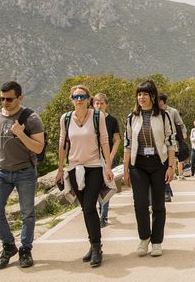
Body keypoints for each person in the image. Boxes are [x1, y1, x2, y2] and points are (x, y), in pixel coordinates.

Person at [0, 81, 45, 269]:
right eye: (2, 98)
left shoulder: (31, 118)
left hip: (26, 172)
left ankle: (25, 250)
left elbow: (39, 147)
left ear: (20, 98)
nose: (5, 102)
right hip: (1, 172)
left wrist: (20, 134)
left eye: (9, 99)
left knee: (27, 213)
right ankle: (9, 246)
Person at [55, 85, 114, 268]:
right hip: (74, 168)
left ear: (89, 99)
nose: (78, 100)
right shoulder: (65, 119)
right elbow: (62, 143)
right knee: (85, 209)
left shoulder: (98, 117)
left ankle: (96, 248)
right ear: (71, 99)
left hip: (94, 167)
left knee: (89, 206)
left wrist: (108, 166)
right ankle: (93, 245)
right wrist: (60, 168)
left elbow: (105, 140)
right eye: (75, 97)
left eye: (82, 96)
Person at [124, 80, 177, 257]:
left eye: (145, 94)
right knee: (140, 204)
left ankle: (156, 241)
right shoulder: (132, 117)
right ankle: (144, 238)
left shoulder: (163, 116)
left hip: (158, 164)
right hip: (138, 165)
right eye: (139, 94)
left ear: (152, 96)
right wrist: (126, 169)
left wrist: (171, 166)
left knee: (158, 204)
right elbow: (128, 144)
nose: (141, 97)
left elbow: (170, 142)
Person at [93, 93, 121, 227]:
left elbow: (117, 140)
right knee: (95, 186)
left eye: (101, 103)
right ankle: (97, 211)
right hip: (92, 158)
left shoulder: (112, 120)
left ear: (106, 104)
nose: (99, 106)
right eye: (96, 103)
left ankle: (103, 216)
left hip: (107, 158)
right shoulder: (89, 119)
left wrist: (110, 156)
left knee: (106, 186)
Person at [158, 94, 186, 197]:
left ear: (164, 102)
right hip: (158, 145)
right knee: (161, 167)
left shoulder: (173, 112)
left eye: (160, 102)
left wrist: (181, 144)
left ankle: (166, 191)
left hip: (170, 143)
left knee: (167, 166)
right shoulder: (154, 113)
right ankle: (167, 189)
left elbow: (179, 127)